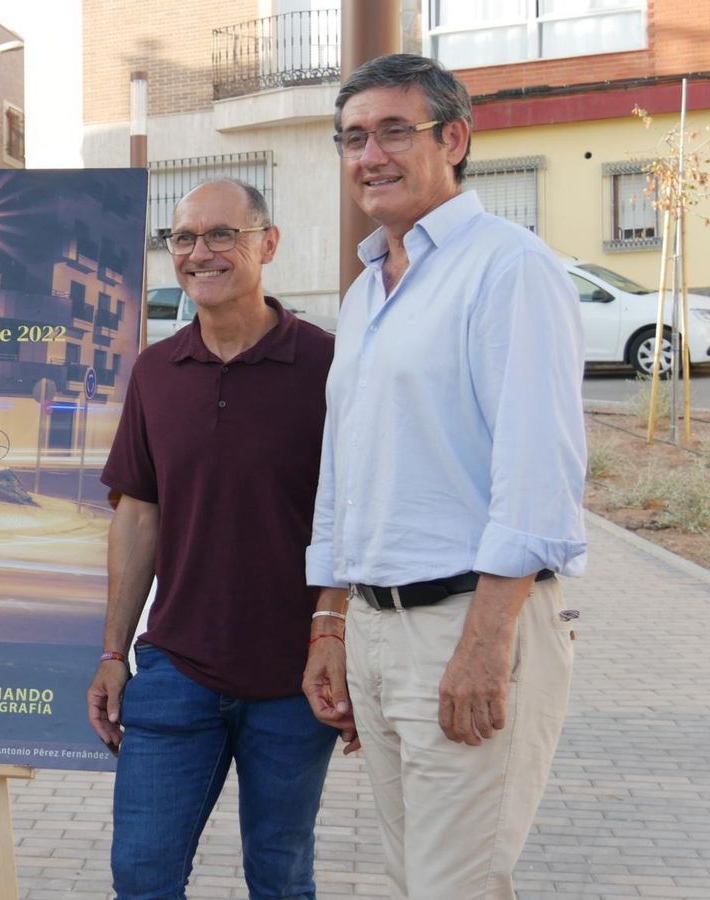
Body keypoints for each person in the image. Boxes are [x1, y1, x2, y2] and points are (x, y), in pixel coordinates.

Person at [302, 53, 586, 900]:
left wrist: (487, 643)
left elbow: (538, 469)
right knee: (412, 877)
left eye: (396, 130)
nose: (370, 155)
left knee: (452, 885)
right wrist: (331, 619)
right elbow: (343, 470)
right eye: (353, 138)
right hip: (382, 632)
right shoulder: (366, 293)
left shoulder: (508, 267)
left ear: (454, 139)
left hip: (469, 622)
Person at [90, 179, 340, 899]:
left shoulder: (329, 366)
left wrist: (339, 635)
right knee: (140, 872)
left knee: (281, 876)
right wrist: (112, 651)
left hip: (296, 678)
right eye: (184, 238)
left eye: (221, 234)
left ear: (268, 243)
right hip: (176, 668)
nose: (200, 253)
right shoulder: (156, 372)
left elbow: (356, 516)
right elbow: (138, 515)